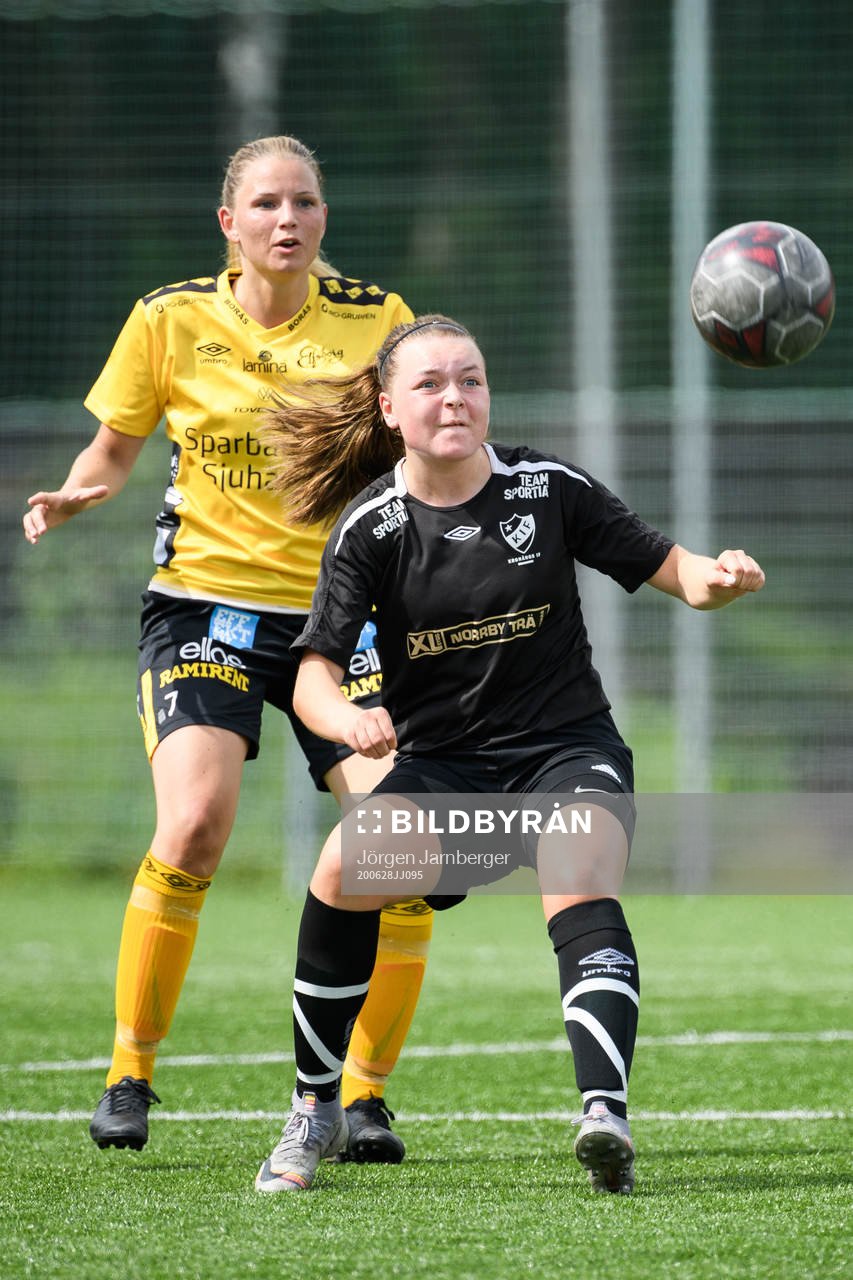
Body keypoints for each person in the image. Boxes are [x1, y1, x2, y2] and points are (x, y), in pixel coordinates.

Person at [253, 314, 766, 1194]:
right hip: (450, 771)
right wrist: (346, 720)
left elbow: (672, 568)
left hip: (568, 750)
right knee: (342, 869)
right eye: (429, 384)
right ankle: (313, 1108)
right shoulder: (369, 529)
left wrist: (717, 580)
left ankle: (603, 1115)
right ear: (387, 409)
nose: (455, 397)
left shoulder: (547, 488)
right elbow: (311, 679)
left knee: (577, 860)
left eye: (471, 379)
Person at [21, 135, 435, 1162]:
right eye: (264, 204)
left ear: (323, 218)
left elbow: (419, 445)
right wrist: (81, 491)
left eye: (303, 201)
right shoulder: (170, 319)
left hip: (342, 622)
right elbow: (113, 449)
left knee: (404, 844)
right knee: (197, 821)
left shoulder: (376, 319)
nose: (285, 219)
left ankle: (365, 1095)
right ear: (230, 223)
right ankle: (130, 1069)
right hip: (207, 609)